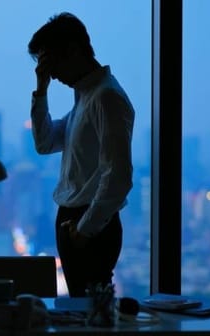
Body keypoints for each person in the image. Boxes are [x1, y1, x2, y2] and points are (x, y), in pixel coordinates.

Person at [28, 12, 135, 297]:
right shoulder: (87, 98)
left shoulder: (105, 98)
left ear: (73, 51)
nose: (51, 73)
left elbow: (119, 176)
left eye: (52, 63)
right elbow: (45, 142)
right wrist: (41, 90)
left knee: (90, 313)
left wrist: (84, 229)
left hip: (89, 221)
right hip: (79, 219)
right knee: (83, 310)